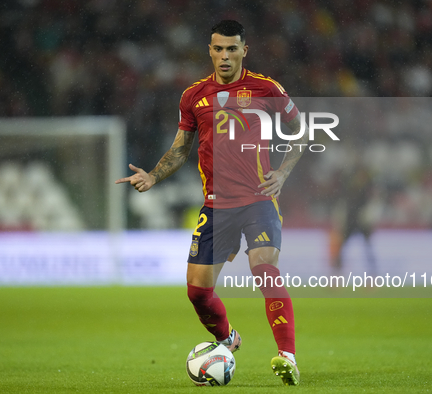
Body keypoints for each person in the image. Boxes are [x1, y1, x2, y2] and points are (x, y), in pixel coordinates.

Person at [116, 20, 307, 386]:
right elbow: (180, 148)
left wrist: (282, 174)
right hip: (216, 206)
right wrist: (154, 175)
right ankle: (226, 340)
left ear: (244, 51)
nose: (224, 56)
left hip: (258, 201)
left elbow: (300, 133)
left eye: (232, 49)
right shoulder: (193, 96)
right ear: (210, 51)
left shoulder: (267, 89)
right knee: (198, 292)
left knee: (265, 269)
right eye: (218, 49)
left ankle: (287, 357)